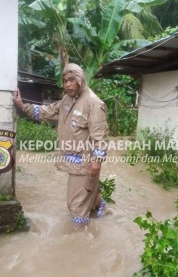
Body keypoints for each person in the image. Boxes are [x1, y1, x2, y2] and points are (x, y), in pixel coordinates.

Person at [13, 63, 109, 230]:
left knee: (75, 205)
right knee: (87, 194)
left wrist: (97, 161)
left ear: (80, 80)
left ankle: (81, 240)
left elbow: (100, 136)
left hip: (85, 164)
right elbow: (47, 111)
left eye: (71, 80)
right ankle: (102, 210)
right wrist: (22, 106)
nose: (67, 85)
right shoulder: (67, 100)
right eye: (65, 81)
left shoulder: (93, 103)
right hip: (72, 160)